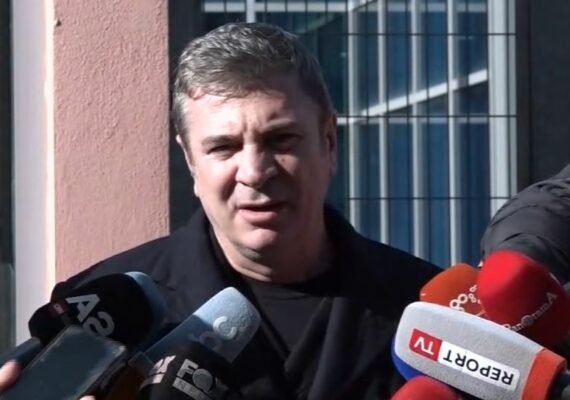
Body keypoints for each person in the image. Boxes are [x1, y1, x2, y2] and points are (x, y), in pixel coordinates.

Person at [0, 22, 439, 399]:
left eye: (281, 140)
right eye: (224, 147)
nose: (255, 172)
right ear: (191, 161)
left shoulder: (429, 313)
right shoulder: (101, 316)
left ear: (328, 142)